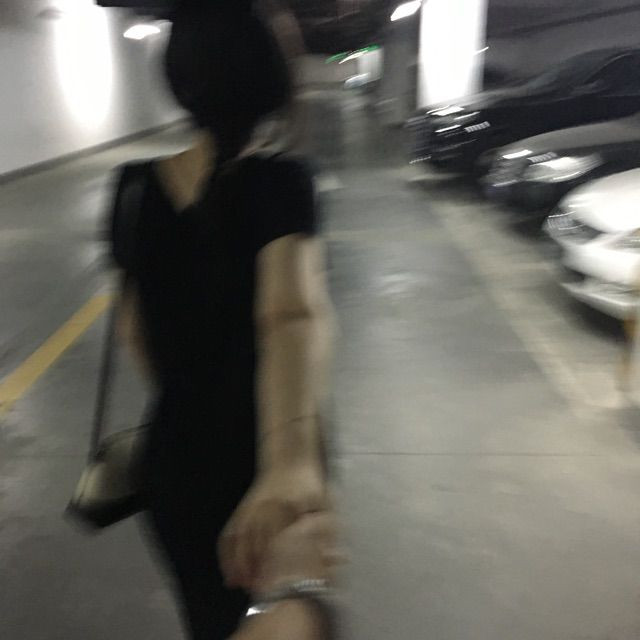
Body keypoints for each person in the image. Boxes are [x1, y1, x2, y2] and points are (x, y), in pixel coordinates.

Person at [111, 0, 334, 637]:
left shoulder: (132, 189)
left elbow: (134, 332)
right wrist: (290, 461)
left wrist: (192, 395)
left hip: (175, 460)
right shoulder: (282, 182)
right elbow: (288, 314)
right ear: (267, 78)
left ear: (178, 77)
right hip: (263, 458)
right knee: (283, 619)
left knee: (206, 615)